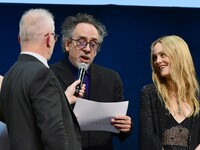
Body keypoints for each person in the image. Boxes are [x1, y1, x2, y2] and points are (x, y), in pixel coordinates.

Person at [0, 8, 85, 150]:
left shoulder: (10, 75)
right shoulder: (43, 74)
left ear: (19, 39)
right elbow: (54, 136)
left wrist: (63, 99)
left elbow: (28, 120)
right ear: (48, 39)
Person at [50, 13, 132, 150]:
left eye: (93, 44)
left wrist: (125, 127)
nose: (87, 49)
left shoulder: (111, 78)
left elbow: (121, 128)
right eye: (81, 42)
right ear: (67, 44)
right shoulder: (49, 75)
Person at [139, 35, 200, 150]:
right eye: (155, 57)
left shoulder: (198, 96)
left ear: (179, 56)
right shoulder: (149, 93)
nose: (158, 61)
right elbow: (147, 140)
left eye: (163, 55)